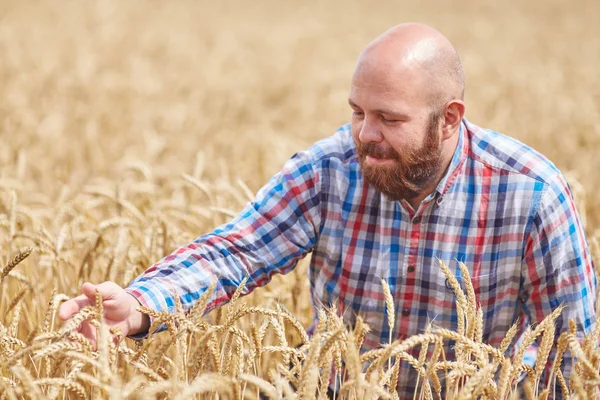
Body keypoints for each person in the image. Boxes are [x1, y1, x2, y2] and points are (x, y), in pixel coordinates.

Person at [59, 23, 596, 397]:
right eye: (357, 112)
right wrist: (139, 305)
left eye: (388, 117)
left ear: (450, 118)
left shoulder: (533, 194)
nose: (366, 134)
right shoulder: (330, 169)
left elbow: (573, 351)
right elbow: (236, 251)